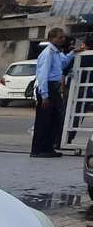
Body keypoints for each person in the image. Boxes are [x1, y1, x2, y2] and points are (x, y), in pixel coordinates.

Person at [32, 27, 85, 157]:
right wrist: (44, 95)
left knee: (54, 120)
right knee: (43, 121)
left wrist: (73, 52)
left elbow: (63, 63)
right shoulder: (48, 53)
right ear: (52, 38)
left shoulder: (56, 52)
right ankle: (38, 150)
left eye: (63, 37)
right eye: (60, 37)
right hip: (48, 89)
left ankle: (48, 148)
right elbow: (43, 75)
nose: (63, 39)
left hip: (54, 89)